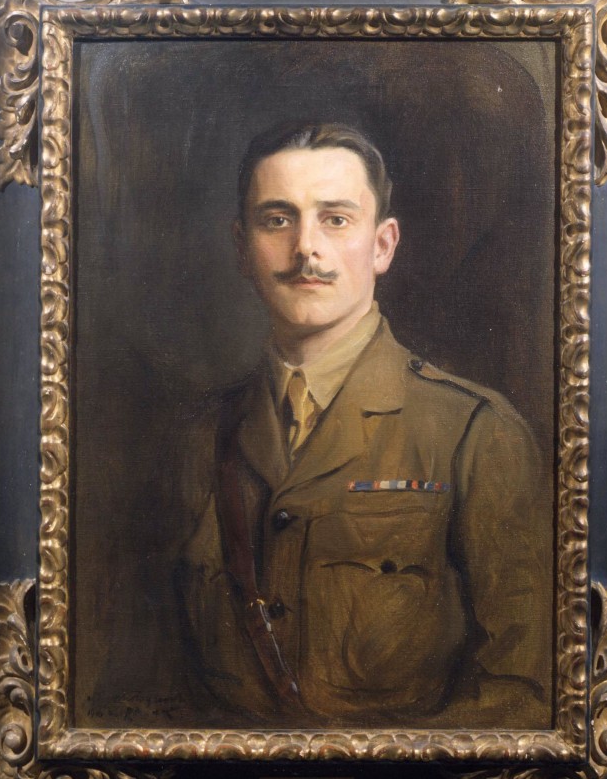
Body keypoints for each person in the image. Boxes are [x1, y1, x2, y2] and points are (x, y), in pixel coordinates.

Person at [95, 122, 552, 729]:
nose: (305, 248)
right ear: (242, 248)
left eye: (335, 219)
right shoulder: (196, 442)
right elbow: (140, 689)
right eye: (277, 220)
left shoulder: (475, 434)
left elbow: (523, 695)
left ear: (383, 245)